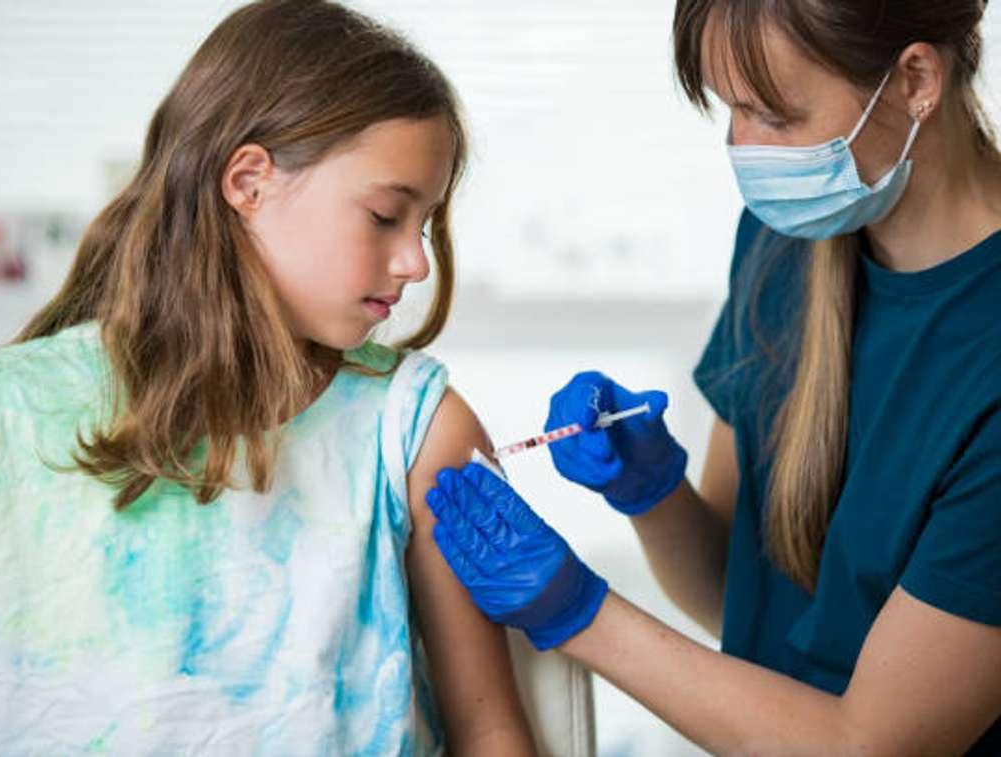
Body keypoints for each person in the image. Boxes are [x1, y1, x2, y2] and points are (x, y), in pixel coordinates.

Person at [0, 1, 535, 754]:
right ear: (248, 181)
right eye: (387, 214)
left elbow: (489, 729)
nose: (416, 260)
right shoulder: (5, 412)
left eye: (424, 224)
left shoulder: (416, 431)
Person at [427, 0, 1001, 753]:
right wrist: (653, 494)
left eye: (773, 115)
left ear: (915, 78)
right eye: (730, 110)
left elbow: (868, 743)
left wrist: (575, 612)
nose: (745, 150)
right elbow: (740, 602)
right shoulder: (786, 243)